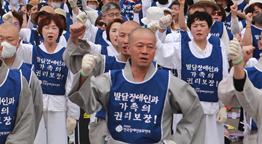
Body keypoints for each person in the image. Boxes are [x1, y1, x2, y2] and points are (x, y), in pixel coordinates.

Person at [68, 28, 206, 144]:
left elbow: (195, 110)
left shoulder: (168, 82)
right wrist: (84, 75)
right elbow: (86, 102)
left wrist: (178, 140)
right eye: (139, 46)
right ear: (129, 47)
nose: (145, 51)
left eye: (150, 47)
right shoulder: (111, 79)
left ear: (155, 50)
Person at [151, 11, 228, 144]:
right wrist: (159, 32)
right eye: (195, 25)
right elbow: (160, 53)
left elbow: (224, 79)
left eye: (202, 25)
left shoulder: (219, 51)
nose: (198, 28)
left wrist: (224, 106)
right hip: (185, 110)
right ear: (189, 29)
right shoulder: (180, 49)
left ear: (209, 29)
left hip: (212, 111)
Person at [15, 13, 79, 144]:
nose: (50, 31)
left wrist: (73, 114)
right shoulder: (32, 51)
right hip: (36, 105)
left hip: (59, 106)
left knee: (58, 141)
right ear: (40, 30)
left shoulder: (67, 54)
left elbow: (71, 85)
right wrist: (12, 26)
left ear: (60, 31)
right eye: (46, 27)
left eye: (54, 28)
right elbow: (15, 48)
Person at [219, 25, 262, 144]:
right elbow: (226, 95)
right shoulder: (248, 73)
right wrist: (239, 64)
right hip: (255, 136)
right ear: (260, 44)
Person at [0, 22, 44, 132]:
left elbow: (36, 109)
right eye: (1, 39)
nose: (4, 43)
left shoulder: (28, 74)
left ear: (18, 43)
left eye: (10, 39)